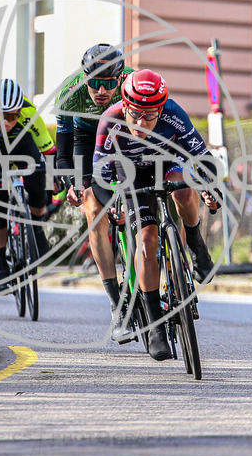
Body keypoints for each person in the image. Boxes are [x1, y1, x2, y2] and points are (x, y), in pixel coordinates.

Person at [91, 69, 219, 360]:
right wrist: (113, 203)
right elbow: (100, 178)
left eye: (151, 115)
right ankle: (155, 328)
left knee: (186, 191)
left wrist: (211, 187)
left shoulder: (174, 114)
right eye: (135, 113)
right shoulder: (110, 121)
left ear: (161, 109)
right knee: (147, 240)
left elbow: (203, 158)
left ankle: (196, 244)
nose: (141, 122)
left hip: (167, 162)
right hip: (132, 173)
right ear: (124, 106)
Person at [55, 43, 134, 331]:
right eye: (95, 84)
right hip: (86, 140)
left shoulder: (134, 84)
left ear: (120, 78)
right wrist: (71, 183)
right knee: (92, 206)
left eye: (108, 84)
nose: (101, 92)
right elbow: (64, 153)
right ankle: (116, 301)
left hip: (125, 136)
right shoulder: (70, 94)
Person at [0, 78, 56, 293]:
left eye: (11, 116)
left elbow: (49, 151)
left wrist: (55, 176)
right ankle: (1, 267)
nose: (5, 122)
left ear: (19, 111)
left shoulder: (29, 113)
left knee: (39, 183)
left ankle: (36, 226)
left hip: (24, 145)